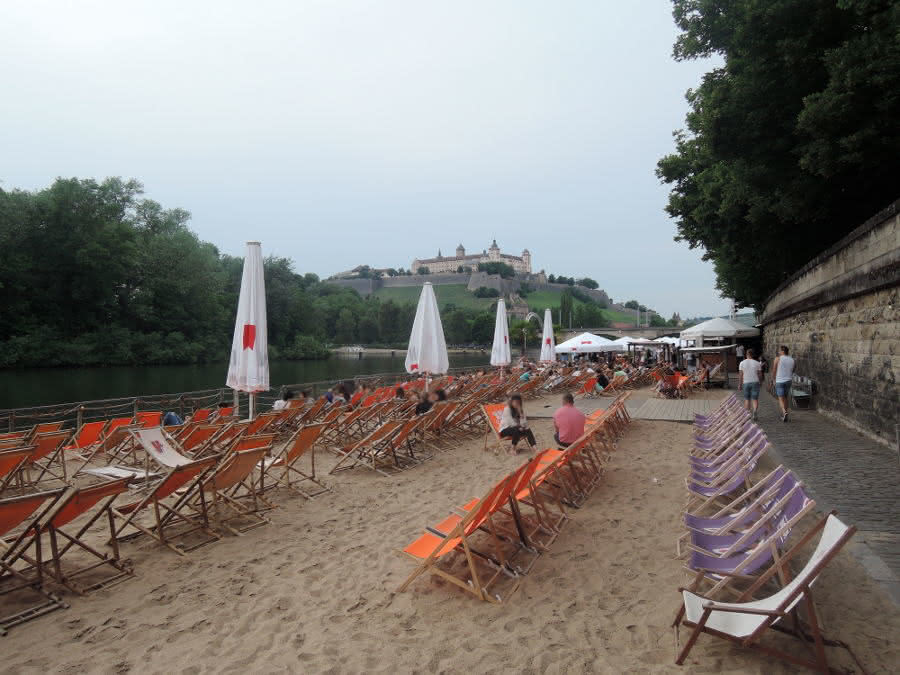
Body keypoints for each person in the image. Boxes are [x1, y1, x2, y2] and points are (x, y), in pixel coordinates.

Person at [738, 348, 762, 420]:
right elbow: (760, 374)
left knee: (747, 399)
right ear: (753, 355)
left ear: (746, 354)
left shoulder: (742, 363)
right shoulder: (757, 363)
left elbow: (741, 375)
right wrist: (760, 382)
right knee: (755, 399)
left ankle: (747, 414)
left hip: (746, 382)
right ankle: (754, 411)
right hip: (755, 382)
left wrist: (740, 384)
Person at [772, 345, 796, 422]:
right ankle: (785, 414)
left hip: (779, 381)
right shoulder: (792, 359)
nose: (778, 352)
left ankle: (784, 412)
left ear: (782, 351)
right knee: (785, 397)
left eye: (779, 351)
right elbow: (793, 370)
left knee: (780, 398)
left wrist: (773, 379)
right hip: (788, 380)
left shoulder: (777, 359)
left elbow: (774, 370)